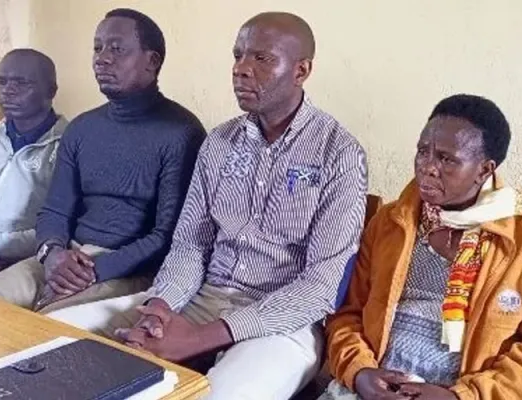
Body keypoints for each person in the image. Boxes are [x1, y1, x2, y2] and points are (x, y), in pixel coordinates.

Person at [48, 11, 368, 400]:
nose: (241, 69)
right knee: (53, 337)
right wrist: (159, 307)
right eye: (237, 56)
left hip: (283, 321)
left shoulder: (340, 154)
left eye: (261, 59)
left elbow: (321, 287)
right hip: (201, 298)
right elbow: (189, 245)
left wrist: (202, 337)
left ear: (301, 70)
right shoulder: (220, 142)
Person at [321, 94, 522, 400]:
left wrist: (462, 396)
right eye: (423, 151)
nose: (427, 167)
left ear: (484, 170)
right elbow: (347, 315)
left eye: (447, 159)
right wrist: (360, 373)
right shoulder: (390, 223)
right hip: (375, 387)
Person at [0, 8, 206, 313]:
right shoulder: (82, 128)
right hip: (66, 257)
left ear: (152, 61)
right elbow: (55, 210)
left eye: (117, 48)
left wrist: (93, 271)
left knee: (47, 327)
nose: (102, 58)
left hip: (128, 269)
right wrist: (52, 253)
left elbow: (168, 237)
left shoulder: (182, 132)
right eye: (97, 48)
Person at [0, 49, 67, 288]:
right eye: (1, 81)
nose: (8, 90)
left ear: (51, 91)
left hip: (19, 261)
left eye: (22, 83)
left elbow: (60, 229)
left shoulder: (69, 148)